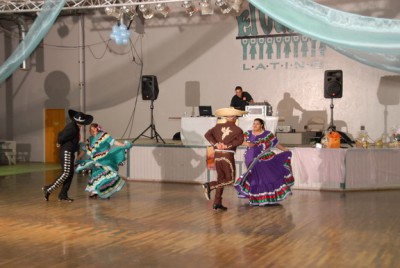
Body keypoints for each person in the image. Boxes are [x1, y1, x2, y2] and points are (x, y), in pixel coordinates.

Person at [234, 118, 294, 206]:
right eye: (254, 124)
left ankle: (266, 198)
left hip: (265, 158)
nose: (254, 125)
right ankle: (256, 198)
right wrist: (247, 144)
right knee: (255, 178)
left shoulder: (268, 134)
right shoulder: (248, 133)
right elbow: (239, 141)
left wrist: (285, 150)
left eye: (257, 124)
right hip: (250, 158)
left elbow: (276, 144)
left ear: (262, 125)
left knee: (266, 178)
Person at [42, 109, 93, 202]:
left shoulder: (75, 127)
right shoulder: (72, 128)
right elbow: (61, 136)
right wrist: (58, 142)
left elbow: (60, 133)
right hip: (66, 152)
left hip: (70, 152)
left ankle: (63, 195)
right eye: (79, 122)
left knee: (70, 174)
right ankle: (48, 189)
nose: (81, 124)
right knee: (66, 173)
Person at [203, 107, 247, 211]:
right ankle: (210, 185)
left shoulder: (217, 126)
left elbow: (207, 135)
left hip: (217, 155)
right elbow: (240, 141)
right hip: (227, 155)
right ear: (234, 117)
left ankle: (217, 202)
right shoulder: (238, 130)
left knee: (221, 179)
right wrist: (228, 145)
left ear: (227, 117)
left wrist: (216, 144)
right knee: (229, 180)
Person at [75, 123, 132, 199]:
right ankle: (95, 191)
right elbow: (85, 150)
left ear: (96, 129)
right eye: (89, 129)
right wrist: (79, 156)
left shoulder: (104, 136)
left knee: (105, 174)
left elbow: (113, 142)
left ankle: (104, 191)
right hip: (95, 160)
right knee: (95, 175)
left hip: (105, 159)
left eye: (91, 128)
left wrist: (122, 145)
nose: (89, 130)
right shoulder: (90, 139)